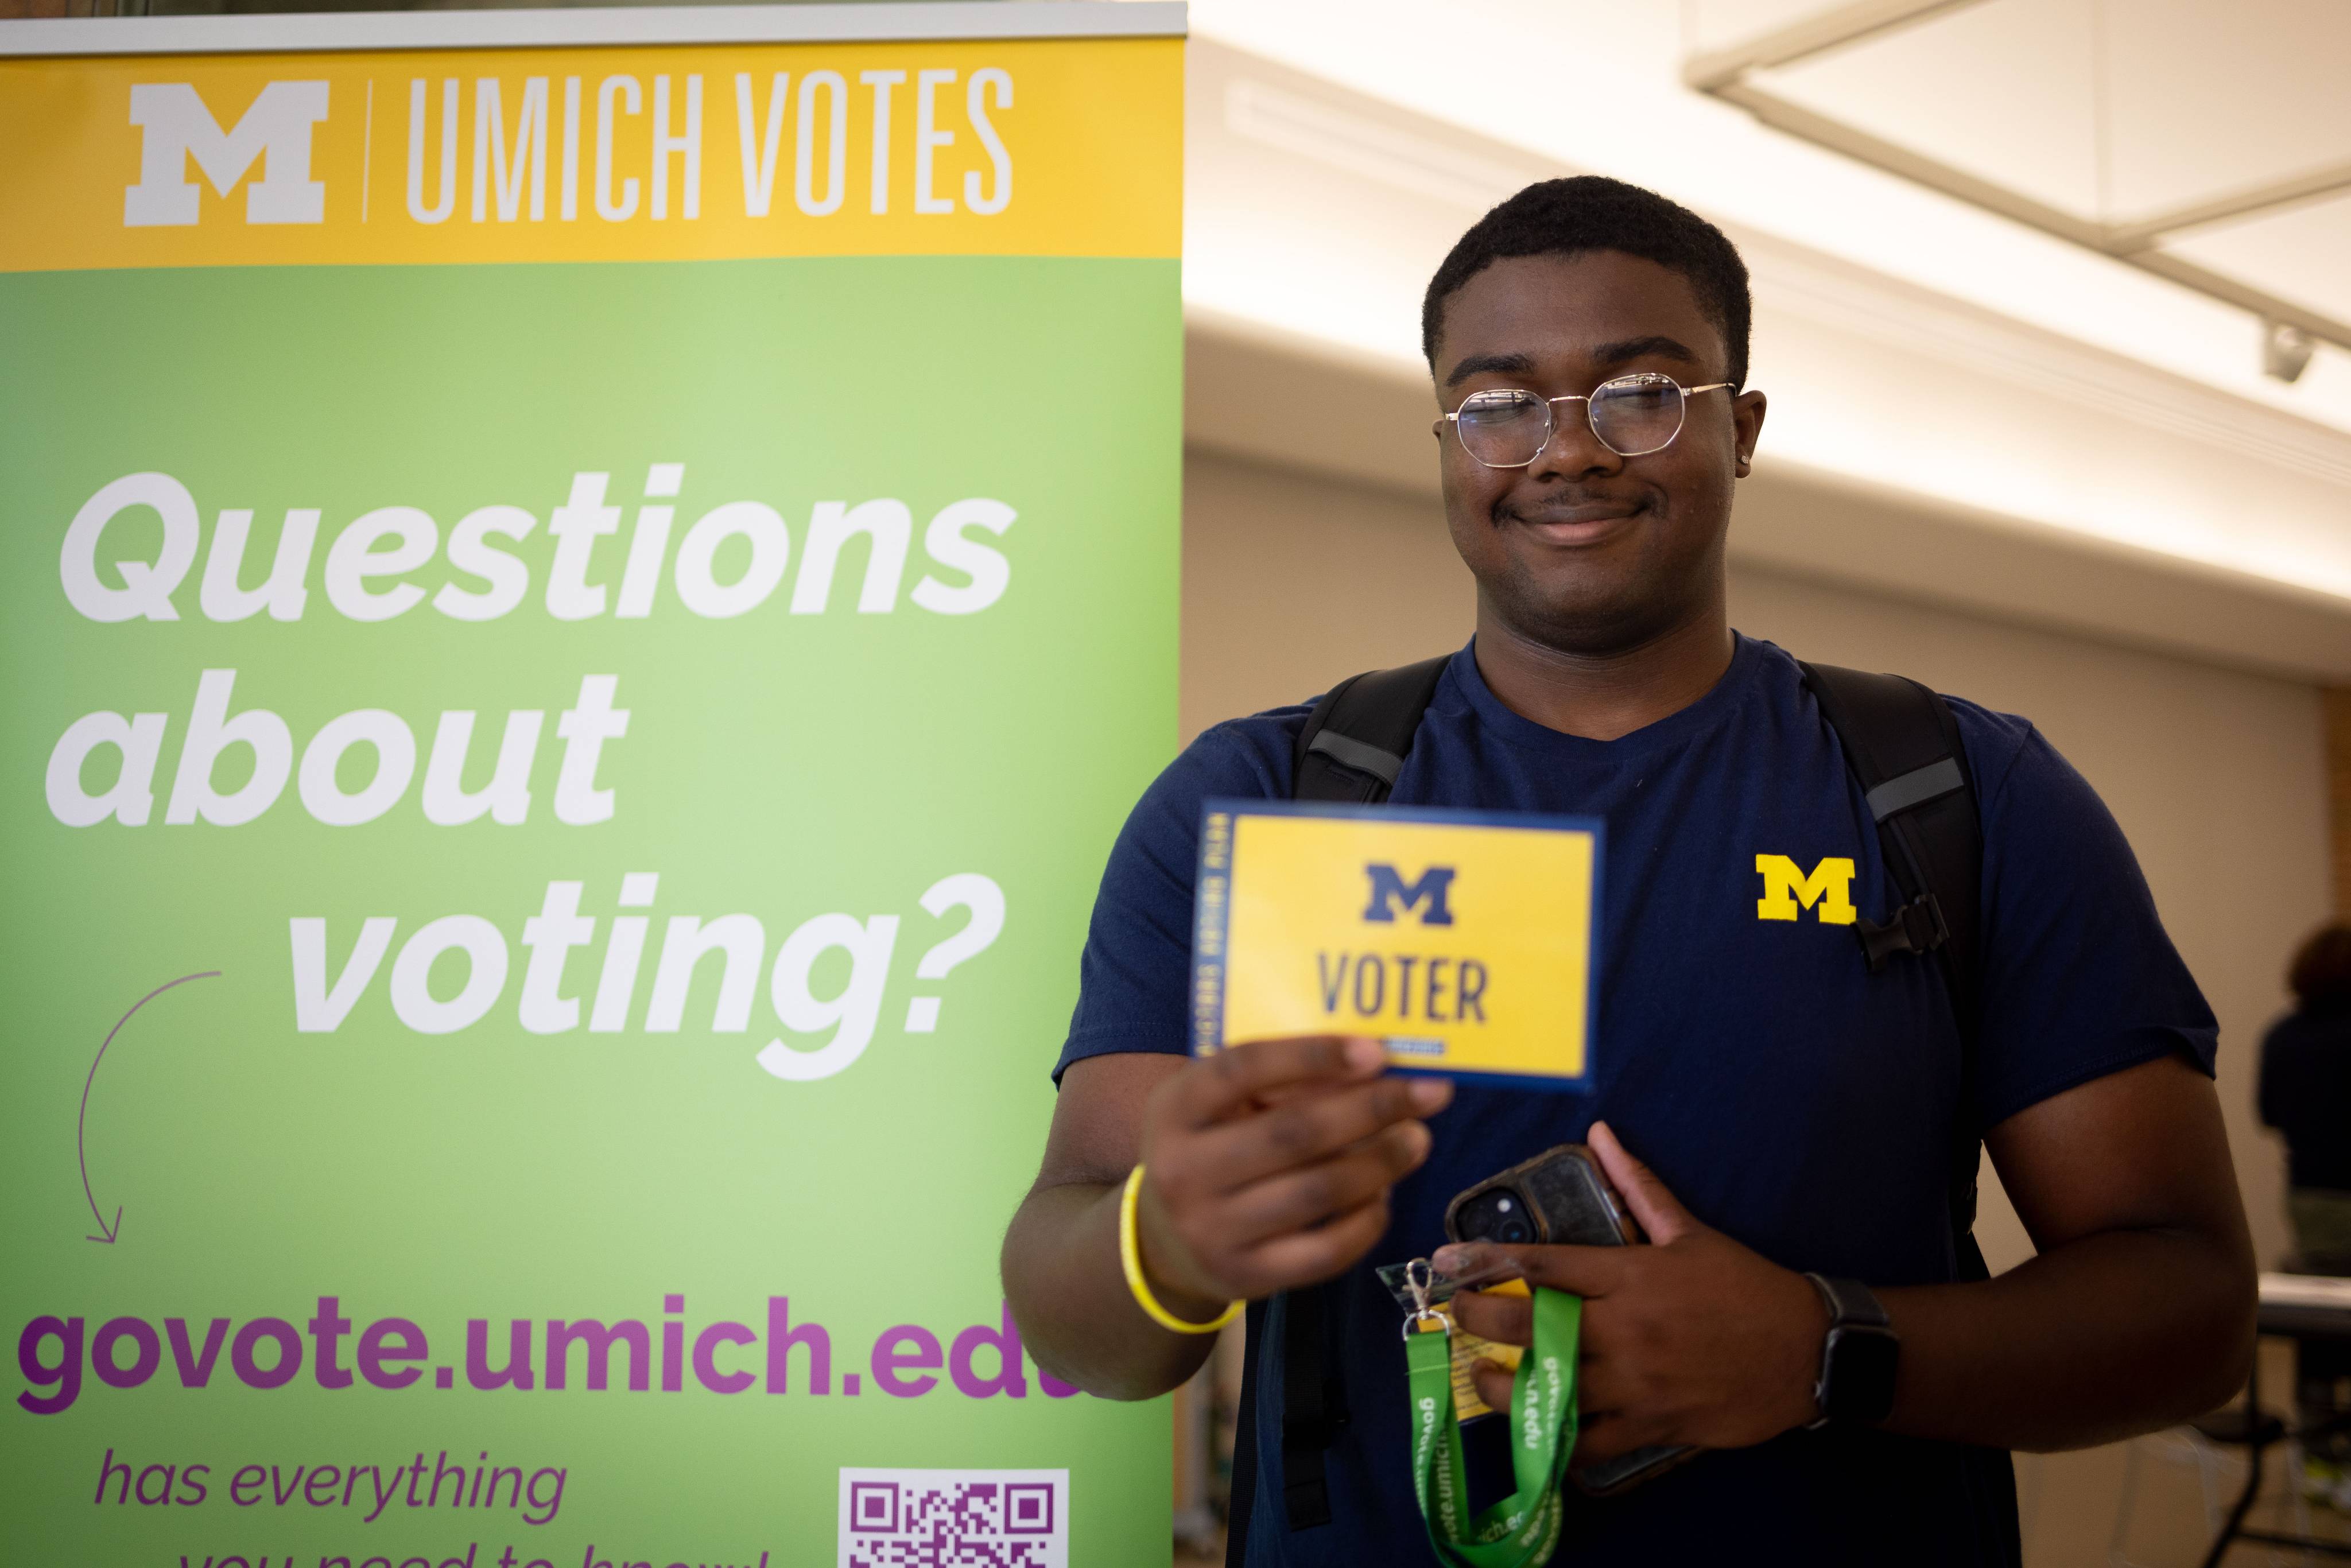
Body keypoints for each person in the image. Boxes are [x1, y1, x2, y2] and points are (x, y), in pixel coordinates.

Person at [1000, 176, 2255, 1566]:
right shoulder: (1262, 801)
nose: (1567, 450)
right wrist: (1167, 1236)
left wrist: (1827, 1348)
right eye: (1499, 402)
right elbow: (1076, 1322)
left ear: (1743, 430)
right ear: (1447, 441)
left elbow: (2190, 1311)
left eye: (1640, 391)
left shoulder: (1954, 793)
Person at [2259, 922, 2351, 1505]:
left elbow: (2268, 1111)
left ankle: (2319, 1458)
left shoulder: (2283, 1034)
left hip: (2310, 1197)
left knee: (2317, 1336)